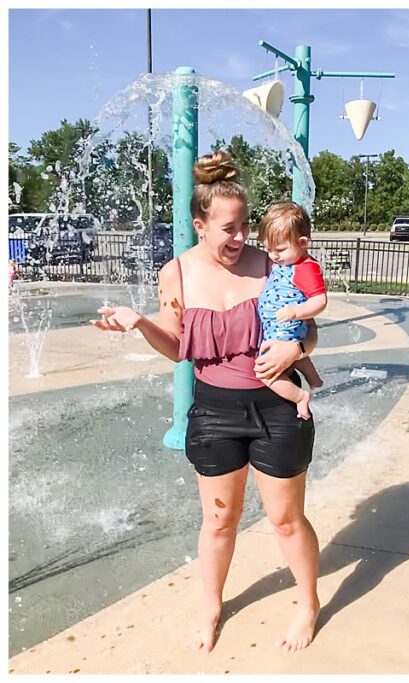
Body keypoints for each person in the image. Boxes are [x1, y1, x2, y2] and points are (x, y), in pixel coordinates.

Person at [92, 151, 321, 653]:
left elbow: (308, 328)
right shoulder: (175, 273)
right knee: (219, 520)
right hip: (215, 411)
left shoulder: (271, 265)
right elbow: (178, 346)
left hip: (276, 407)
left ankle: (308, 602)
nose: (242, 238)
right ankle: (212, 605)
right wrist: (141, 323)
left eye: (244, 226)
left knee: (286, 519)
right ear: (200, 225)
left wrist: (296, 347)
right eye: (229, 229)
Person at [256, 202, 328, 420]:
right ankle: (314, 379)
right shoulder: (287, 263)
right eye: (268, 249)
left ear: (303, 243)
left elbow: (320, 300)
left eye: (279, 249)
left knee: (264, 372)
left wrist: (296, 312)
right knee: (295, 357)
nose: (273, 255)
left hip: (286, 327)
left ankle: (299, 397)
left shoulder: (305, 268)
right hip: (280, 327)